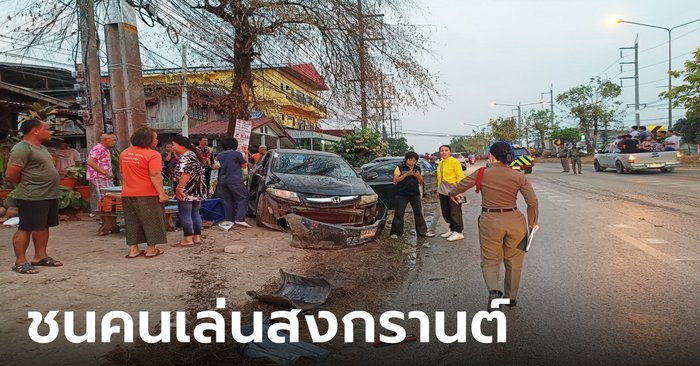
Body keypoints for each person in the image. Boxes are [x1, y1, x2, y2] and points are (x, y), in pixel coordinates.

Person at [449, 141, 539, 307]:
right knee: (514, 261)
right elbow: (532, 202)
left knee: (490, 259)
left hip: (490, 221)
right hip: (515, 221)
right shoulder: (519, 176)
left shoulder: (482, 173)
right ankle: (511, 298)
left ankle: (494, 291)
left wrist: (453, 194)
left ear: (491, 156)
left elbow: (457, 188)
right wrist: (533, 223)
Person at [5, 119, 62, 274]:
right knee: (26, 228)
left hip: (48, 195)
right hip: (32, 196)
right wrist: (27, 186)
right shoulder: (21, 149)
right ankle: (20, 262)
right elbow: (11, 174)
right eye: (47, 128)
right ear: (35, 131)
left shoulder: (41, 147)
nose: (50, 132)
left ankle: (40, 257)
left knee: (43, 226)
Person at [119, 127, 169, 259]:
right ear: (148, 140)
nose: (157, 140)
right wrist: (162, 193)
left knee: (132, 221)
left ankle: (133, 249)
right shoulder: (153, 155)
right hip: (147, 193)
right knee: (152, 221)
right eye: (155, 138)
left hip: (128, 193)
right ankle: (151, 249)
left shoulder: (124, 153)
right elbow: (154, 174)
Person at [170, 136, 207, 247]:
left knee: (185, 214)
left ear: (181, 145)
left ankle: (187, 239)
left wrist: (179, 188)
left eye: (174, 145)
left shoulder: (187, 156)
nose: (173, 147)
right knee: (195, 213)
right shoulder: (193, 155)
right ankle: (196, 237)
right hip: (197, 190)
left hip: (188, 189)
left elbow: (186, 173)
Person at [389, 152, 435, 239]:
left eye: (414, 160)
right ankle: (395, 233)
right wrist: (406, 174)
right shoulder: (399, 168)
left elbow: (421, 182)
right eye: (410, 160)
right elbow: (395, 180)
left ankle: (422, 232)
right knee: (399, 213)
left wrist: (417, 176)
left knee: (418, 213)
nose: (412, 162)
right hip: (402, 194)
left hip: (415, 194)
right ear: (406, 159)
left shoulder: (418, 168)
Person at [217, 138, 251, 228]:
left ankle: (229, 219)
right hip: (235, 179)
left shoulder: (220, 155)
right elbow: (244, 165)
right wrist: (246, 153)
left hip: (224, 180)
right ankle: (240, 219)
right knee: (242, 198)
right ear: (234, 145)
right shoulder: (237, 154)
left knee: (228, 200)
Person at [436, 144, 465, 242]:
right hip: (442, 189)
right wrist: (438, 190)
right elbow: (439, 177)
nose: (443, 152)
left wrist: (459, 191)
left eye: (446, 150)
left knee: (455, 211)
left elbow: (460, 177)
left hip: (453, 189)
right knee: (446, 211)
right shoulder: (441, 162)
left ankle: (458, 232)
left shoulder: (455, 162)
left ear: (450, 152)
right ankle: (452, 228)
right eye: (441, 150)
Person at [87, 133, 117, 212]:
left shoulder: (105, 149)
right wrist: (105, 173)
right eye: (113, 140)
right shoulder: (98, 149)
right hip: (99, 177)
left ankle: (109, 221)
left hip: (104, 177)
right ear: (106, 140)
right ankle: (107, 222)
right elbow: (90, 162)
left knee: (110, 198)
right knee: (105, 199)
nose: (115, 142)